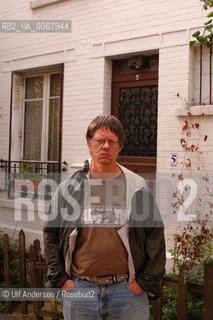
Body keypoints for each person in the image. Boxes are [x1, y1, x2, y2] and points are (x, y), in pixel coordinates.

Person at [43, 114, 166, 320]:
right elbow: (51, 234)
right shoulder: (69, 189)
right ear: (89, 143)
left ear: (120, 146)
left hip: (127, 293)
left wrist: (143, 283)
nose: (105, 146)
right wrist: (62, 280)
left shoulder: (137, 187)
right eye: (100, 140)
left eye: (112, 141)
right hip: (80, 290)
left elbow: (155, 236)